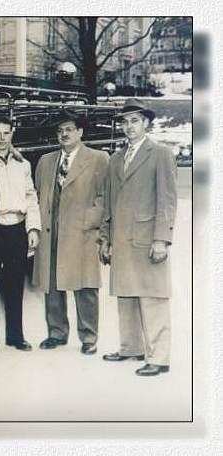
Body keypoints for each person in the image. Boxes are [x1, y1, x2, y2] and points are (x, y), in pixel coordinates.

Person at [99, 98, 177, 376]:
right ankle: (131, 347)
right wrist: (105, 239)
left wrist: (161, 239)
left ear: (146, 123)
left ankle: (159, 357)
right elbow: (109, 202)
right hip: (121, 240)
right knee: (126, 296)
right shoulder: (116, 158)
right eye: (125, 121)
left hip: (147, 239)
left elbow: (167, 201)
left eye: (134, 120)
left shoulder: (161, 154)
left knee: (153, 297)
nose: (129, 126)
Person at [32, 110, 109, 355]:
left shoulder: (98, 159)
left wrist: (90, 222)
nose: (64, 134)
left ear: (80, 132)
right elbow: (36, 194)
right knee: (52, 284)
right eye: (60, 131)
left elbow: (105, 196)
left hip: (82, 232)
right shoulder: (46, 161)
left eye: (69, 130)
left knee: (85, 287)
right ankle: (56, 333)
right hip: (51, 231)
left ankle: (89, 337)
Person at [0, 115, 41, 354]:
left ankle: (16, 336)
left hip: (17, 228)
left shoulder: (22, 163)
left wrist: (32, 228)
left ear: (12, 133)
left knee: (15, 284)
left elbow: (31, 196)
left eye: (6, 133)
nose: (2, 138)